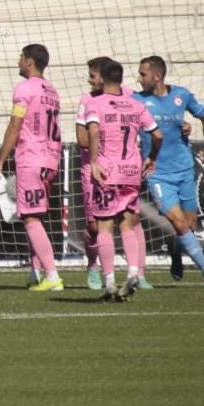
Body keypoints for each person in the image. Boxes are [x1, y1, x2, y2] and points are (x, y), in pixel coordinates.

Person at [134, 55, 204, 287]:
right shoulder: (136, 100)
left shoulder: (182, 95)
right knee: (179, 223)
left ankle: (175, 251)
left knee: (189, 224)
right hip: (157, 172)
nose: (139, 79)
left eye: (143, 74)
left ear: (157, 76)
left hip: (183, 167)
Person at [85, 59, 163, 300]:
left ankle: (109, 282)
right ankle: (132, 272)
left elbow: (94, 131)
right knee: (127, 225)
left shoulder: (94, 103)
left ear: (103, 78)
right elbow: (157, 135)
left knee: (105, 227)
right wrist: (151, 157)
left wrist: (95, 161)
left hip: (107, 171)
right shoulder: (135, 104)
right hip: (131, 170)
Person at [0, 44, 63, 291]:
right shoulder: (52, 90)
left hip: (32, 158)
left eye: (21, 58)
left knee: (31, 217)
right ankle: (36, 273)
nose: (18, 63)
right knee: (34, 216)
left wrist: (0, 161)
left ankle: (53, 278)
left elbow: (15, 125)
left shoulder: (25, 89)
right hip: (51, 158)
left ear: (30, 61)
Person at [74, 57, 109, 290]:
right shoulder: (87, 100)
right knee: (95, 226)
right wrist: (104, 135)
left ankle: (138, 273)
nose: (89, 79)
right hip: (92, 168)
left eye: (93, 75)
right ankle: (93, 265)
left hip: (119, 169)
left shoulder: (125, 97)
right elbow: (82, 139)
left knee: (128, 221)